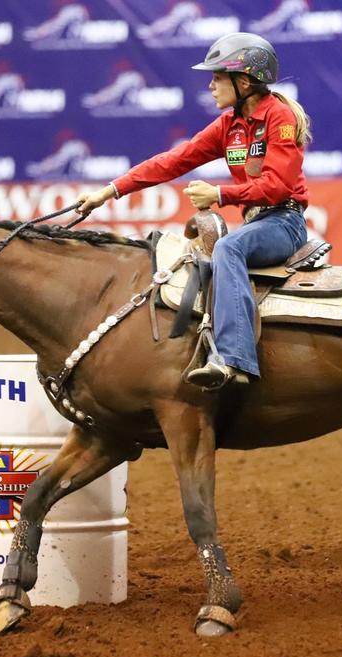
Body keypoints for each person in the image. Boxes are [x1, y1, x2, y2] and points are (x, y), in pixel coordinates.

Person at [76, 32, 312, 390]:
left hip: (285, 222)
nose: (211, 86)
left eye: (217, 78)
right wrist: (110, 190)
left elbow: (277, 187)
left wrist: (218, 193)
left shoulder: (279, 118)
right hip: (258, 222)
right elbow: (173, 161)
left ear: (244, 81)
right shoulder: (228, 126)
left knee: (227, 248)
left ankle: (233, 359)